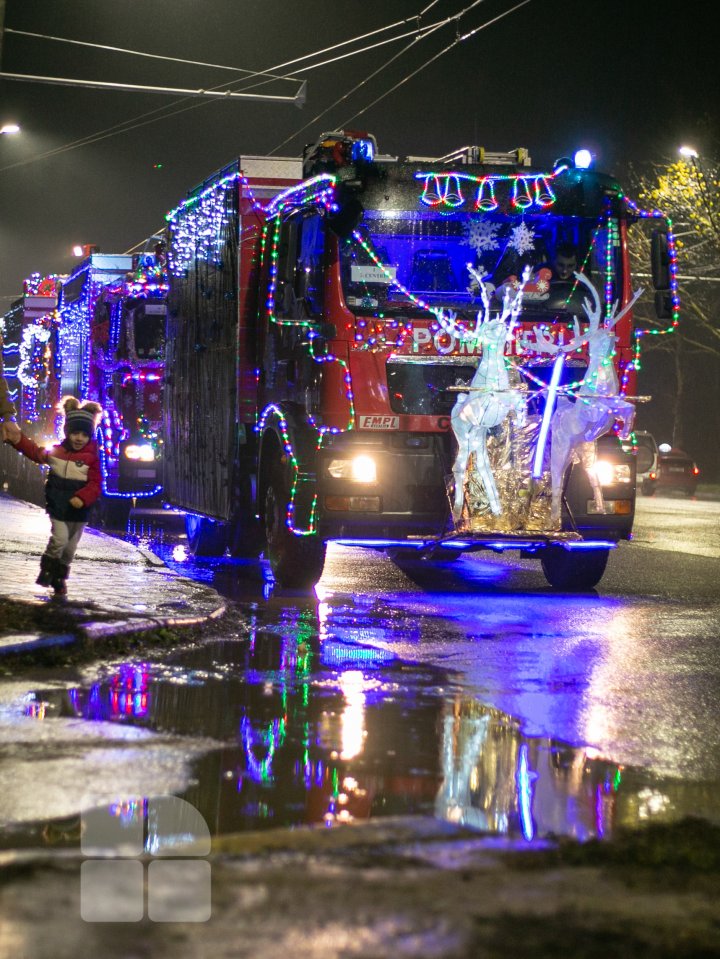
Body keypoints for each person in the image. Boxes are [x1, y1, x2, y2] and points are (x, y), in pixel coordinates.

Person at [2, 396, 103, 596]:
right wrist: (18, 440)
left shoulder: (91, 459)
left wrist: (82, 498)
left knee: (70, 548)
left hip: (79, 511)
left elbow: (96, 483)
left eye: (84, 434)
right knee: (60, 539)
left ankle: (59, 577)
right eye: (75, 433)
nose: (79, 438)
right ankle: (47, 571)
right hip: (58, 505)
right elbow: (35, 452)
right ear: (67, 432)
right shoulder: (57, 453)